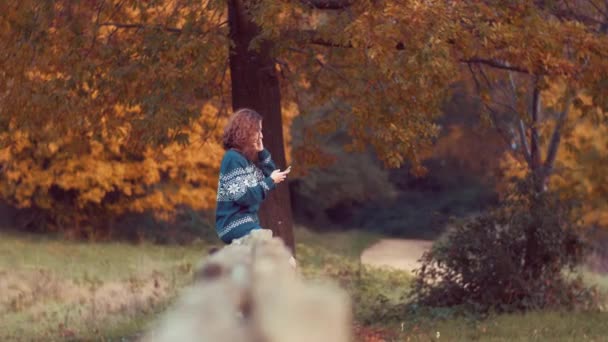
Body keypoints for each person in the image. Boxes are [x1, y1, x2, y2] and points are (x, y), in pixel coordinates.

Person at [215, 108, 291, 244]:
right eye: (258, 131)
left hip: (246, 223)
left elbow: (269, 178)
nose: (261, 136)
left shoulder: (245, 161)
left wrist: (262, 152)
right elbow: (245, 197)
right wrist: (270, 180)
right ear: (246, 131)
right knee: (281, 257)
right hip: (233, 224)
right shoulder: (232, 159)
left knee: (282, 258)